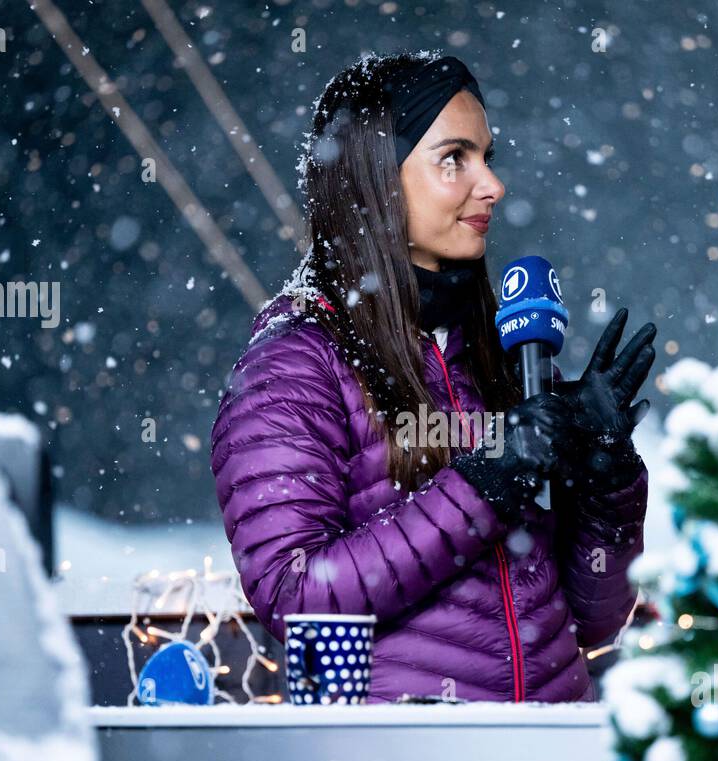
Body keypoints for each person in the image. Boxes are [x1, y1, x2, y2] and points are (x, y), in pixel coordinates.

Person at [210, 52, 656, 703]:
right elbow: (294, 596)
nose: (493, 185)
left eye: (487, 156)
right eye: (455, 159)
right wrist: (484, 483)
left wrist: (605, 479)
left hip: (553, 757)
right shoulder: (293, 367)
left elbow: (596, 618)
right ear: (375, 182)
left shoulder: (504, 353)